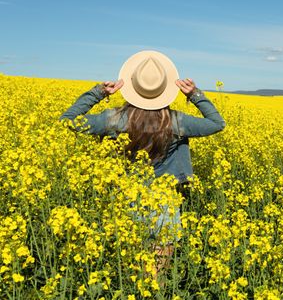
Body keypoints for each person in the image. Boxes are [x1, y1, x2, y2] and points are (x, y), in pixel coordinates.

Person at [59, 50, 226, 276]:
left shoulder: (113, 119)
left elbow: (67, 120)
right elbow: (217, 123)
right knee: (155, 279)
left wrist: (98, 92)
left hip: (125, 201)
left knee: (131, 275)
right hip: (165, 203)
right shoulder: (177, 122)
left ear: (132, 88)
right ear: (164, 90)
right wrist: (194, 94)